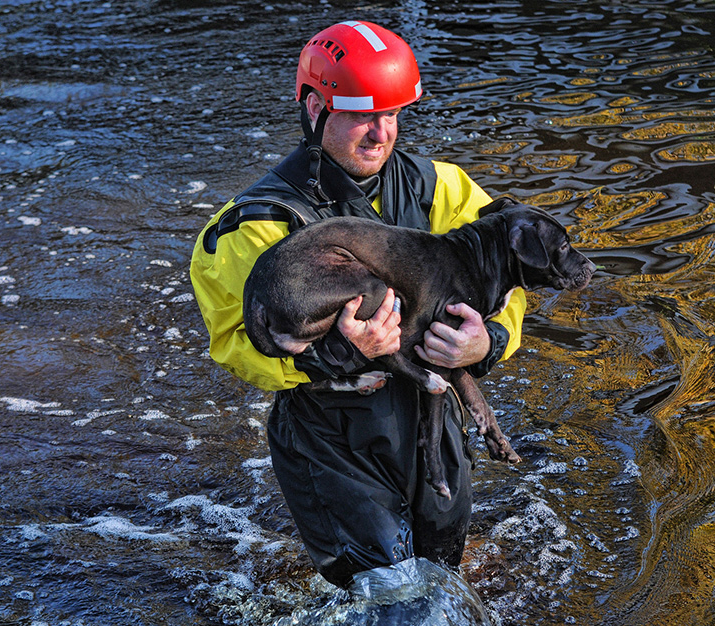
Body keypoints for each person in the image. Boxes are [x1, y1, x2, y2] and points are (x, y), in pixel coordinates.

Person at [190, 20, 526, 588]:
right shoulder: (251, 226)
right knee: (389, 599)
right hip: (331, 440)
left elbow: (513, 281)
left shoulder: (442, 186)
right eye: (362, 116)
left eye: (392, 115)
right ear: (316, 108)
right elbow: (236, 347)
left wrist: (486, 341)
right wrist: (342, 354)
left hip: (433, 428)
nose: (381, 133)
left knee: (446, 581)